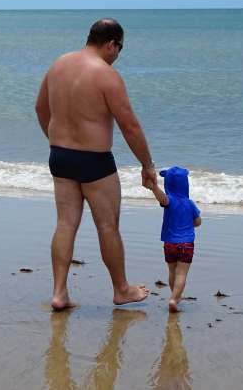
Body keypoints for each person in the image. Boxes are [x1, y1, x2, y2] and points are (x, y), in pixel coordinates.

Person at [35, 18, 156, 310]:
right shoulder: (106, 75)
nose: (117, 56)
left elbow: (41, 108)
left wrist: (55, 140)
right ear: (111, 44)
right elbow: (130, 127)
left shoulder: (60, 64)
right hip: (94, 161)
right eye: (120, 49)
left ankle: (59, 293)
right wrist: (147, 165)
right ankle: (122, 290)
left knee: (65, 224)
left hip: (60, 156)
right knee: (107, 226)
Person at [145, 166, 202, 312]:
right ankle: (174, 299)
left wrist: (153, 187)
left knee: (172, 272)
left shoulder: (169, 200)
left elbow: (162, 198)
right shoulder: (190, 203)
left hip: (169, 243)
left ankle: (175, 296)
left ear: (168, 184)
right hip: (186, 243)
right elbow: (198, 222)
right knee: (181, 273)